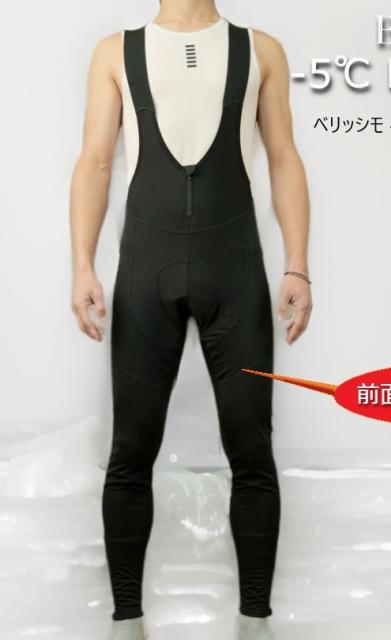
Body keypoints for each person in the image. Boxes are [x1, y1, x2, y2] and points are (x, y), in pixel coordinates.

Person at [68, 1, 312, 638]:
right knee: (130, 451)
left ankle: (255, 621)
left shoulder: (261, 49)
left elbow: (283, 157)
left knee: (252, 451)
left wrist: (298, 265)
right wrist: (82, 265)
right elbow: (95, 161)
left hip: (236, 274)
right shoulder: (115, 51)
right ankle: (126, 621)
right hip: (143, 273)